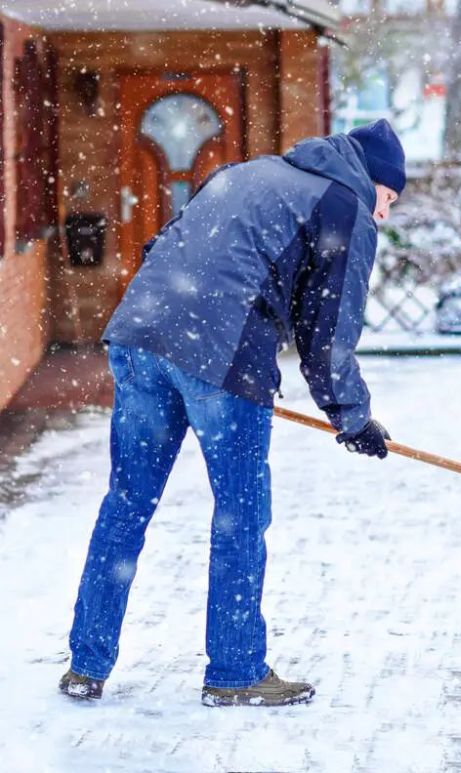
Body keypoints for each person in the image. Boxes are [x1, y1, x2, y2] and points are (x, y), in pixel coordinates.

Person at [58, 119, 405, 707]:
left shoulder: (248, 172)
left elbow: (164, 245)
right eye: (390, 198)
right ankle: (236, 670)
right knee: (240, 515)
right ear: (372, 180)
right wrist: (351, 416)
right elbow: (329, 331)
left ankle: (86, 664)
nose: (385, 215)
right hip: (220, 354)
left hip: (141, 334)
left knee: (126, 504)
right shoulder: (344, 203)